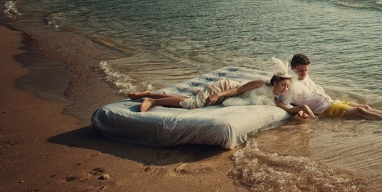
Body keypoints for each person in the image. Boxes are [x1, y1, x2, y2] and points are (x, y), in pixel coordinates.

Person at [284, 53, 382, 120]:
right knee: (360, 111)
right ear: (293, 68)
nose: (304, 73)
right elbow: (284, 101)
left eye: (306, 70)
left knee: (365, 106)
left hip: (331, 102)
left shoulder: (304, 76)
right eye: (301, 70)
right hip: (324, 109)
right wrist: (300, 111)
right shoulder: (290, 84)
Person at [129, 73, 315, 119]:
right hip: (226, 88)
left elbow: (288, 109)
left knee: (193, 101)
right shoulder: (261, 83)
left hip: (226, 97)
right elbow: (237, 91)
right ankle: (152, 100)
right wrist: (218, 93)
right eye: (283, 84)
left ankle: (149, 93)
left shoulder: (273, 99)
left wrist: (304, 109)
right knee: (193, 105)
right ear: (275, 82)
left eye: (287, 86)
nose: (285, 88)